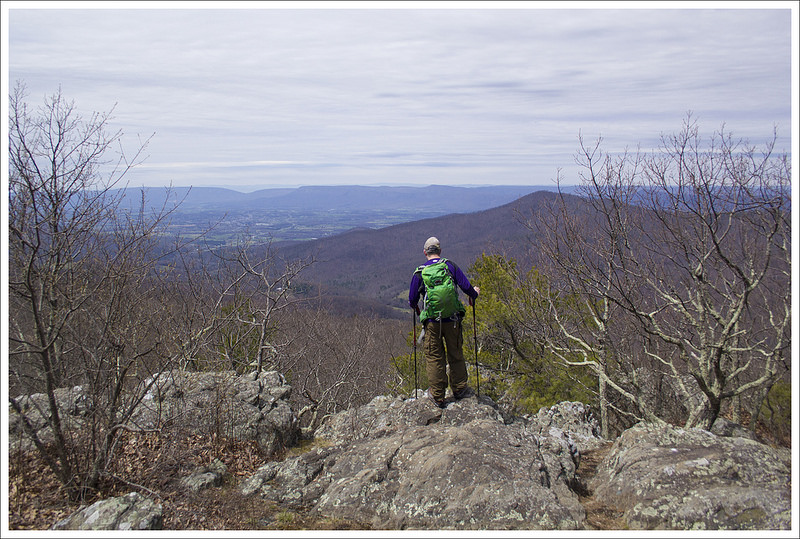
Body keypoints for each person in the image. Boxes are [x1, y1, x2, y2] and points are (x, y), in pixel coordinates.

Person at [409, 236, 480, 408]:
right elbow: (467, 288)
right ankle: (460, 389)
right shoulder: (450, 266)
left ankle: (438, 395)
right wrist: (475, 293)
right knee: (455, 353)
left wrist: (419, 310)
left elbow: (412, 299)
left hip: (432, 322)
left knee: (434, 357)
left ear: (425, 252)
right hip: (453, 320)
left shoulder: (419, 273)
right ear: (440, 251)